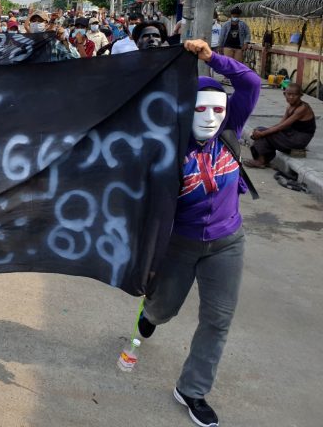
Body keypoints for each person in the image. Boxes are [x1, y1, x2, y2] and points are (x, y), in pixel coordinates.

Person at [136, 39, 260, 427]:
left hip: (227, 243)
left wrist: (213, 59)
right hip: (180, 245)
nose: (210, 118)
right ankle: (151, 313)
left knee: (218, 319)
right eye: (200, 109)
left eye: (217, 110)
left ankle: (192, 389)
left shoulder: (231, 129)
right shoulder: (168, 145)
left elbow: (252, 84)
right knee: (164, 309)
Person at [245, 83, 316, 168]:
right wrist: (261, 131)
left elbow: (282, 127)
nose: (291, 97)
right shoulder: (290, 106)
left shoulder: (302, 108)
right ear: (284, 94)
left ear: (300, 96)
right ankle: (263, 159)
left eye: (295, 95)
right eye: (289, 94)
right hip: (290, 134)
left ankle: (261, 161)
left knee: (266, 134)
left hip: (299, 139)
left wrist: (263, 133)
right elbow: (281, 124)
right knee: (260, 129)